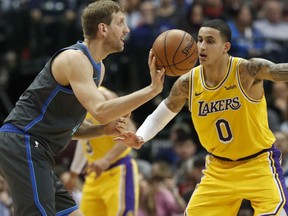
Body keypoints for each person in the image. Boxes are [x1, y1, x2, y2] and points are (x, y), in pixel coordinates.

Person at [0, 0, 164, 215]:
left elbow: (70, 127)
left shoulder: (99, 68)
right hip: (23, 142)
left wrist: (102, 130)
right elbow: (101, 110)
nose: (127, 29)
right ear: (103, 29)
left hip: (39, 149)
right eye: (121, 23)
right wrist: (151, 90)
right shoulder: (74, 59)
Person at [116, 19, 288, 215]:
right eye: (199, 40)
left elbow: (277, 71)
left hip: (258, 164)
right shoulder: (188, 83)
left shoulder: (246, 70)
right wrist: (141, 137)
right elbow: (164, 112)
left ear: (226, 47)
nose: (202, 46)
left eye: (210, 41)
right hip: (218, 169)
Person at [66, 86, 139, 216]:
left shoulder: (105, 96)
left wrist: (106, 159)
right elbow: (84, 140)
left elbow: (130, 132)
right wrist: (74, 173)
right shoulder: (73, 101)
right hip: (94, 173)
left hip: (117, 170)